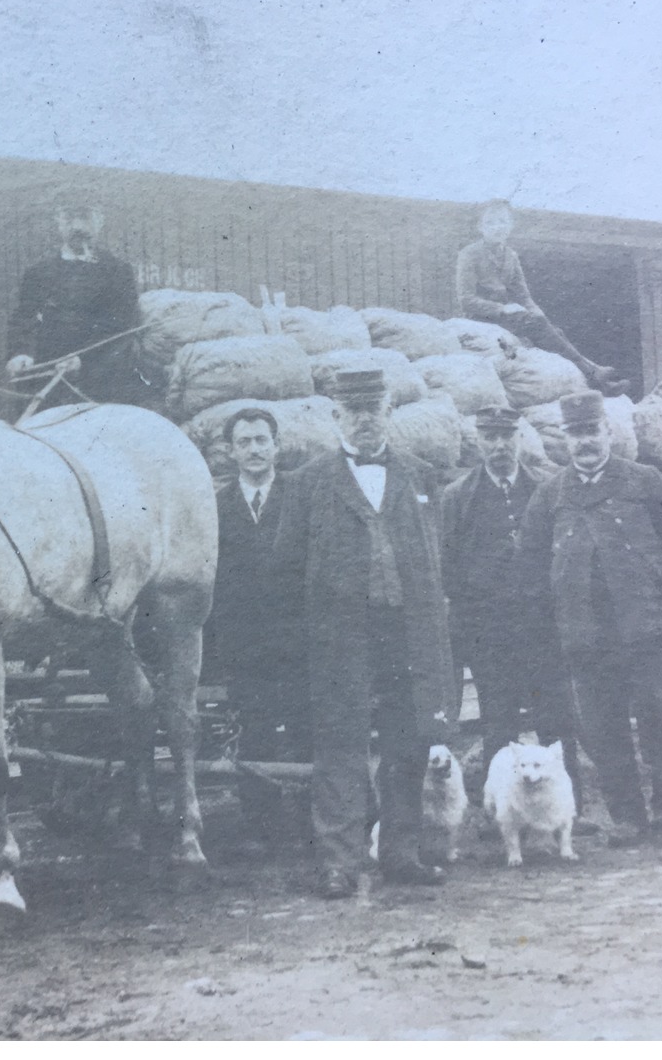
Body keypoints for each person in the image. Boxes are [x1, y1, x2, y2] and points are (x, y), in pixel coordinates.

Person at [274, 368, 456, 898]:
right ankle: (339, 861)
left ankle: (402, 853)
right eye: (354, 412)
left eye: (374, 410)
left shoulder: (421, 476)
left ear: (389, 414)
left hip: (407, 632)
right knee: (339, 743)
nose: (365, 421)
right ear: (336, 417)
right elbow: (286, 568)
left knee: (409, 740)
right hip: (342, 636)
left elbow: (434, 559)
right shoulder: (308, 482)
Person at [518, 390, 662, 850]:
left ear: (607, 432)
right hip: (585, 636)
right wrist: (555, 624)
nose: (584, 442)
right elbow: (529, 570)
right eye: (575, 434)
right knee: (603, 727)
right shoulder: (551, 494)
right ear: (565, 440)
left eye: (591, 431)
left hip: (645, 629)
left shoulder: (644, 481)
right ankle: (627, 817)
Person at [441, 406, 580, 799]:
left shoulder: (545, 488)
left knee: (556, 722)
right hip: (491, 636)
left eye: (507, 436)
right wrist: (472, 632)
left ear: (519, 438)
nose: (500, 446)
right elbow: (449, 569)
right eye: (491, 437)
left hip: (542, 631)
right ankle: (496, 808)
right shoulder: (458, 497)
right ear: (479, 441)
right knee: (498, 726)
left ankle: (571, 807)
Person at [204, 407, 306, 852]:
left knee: (306, 727)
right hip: (246, 645)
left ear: (277, 445)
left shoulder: (302, 496)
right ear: (230, 451)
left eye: (261, 440)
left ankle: (307, 820)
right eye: (244, 442)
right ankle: (260, 825)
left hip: (299, 640)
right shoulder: (216, 506)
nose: (254, 450)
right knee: (256, 730)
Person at [455, 201, 625, 391]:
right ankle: (593, 371)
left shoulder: (511, 256)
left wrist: (537, 312)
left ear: (511, 225)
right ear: (480, 227)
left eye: (502, 221)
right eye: (490, 223)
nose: (497, 227)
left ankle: (597, 380)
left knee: (553, 331)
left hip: (509, 319)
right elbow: (466, 300)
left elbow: (523, 295)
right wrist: (502, 308)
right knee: (538, 326)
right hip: (483, 318)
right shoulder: (469, 254)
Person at [5, 196, 154, 407]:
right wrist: (20, 353)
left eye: (85, 217)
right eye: (69, 218)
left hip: (100, 381)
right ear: (58, 221)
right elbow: (24, 317)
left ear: (100, 221)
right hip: (46, 381)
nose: (77, 226)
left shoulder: (118, 272)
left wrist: (84, 360)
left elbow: (121, 328)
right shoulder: (38, 273)